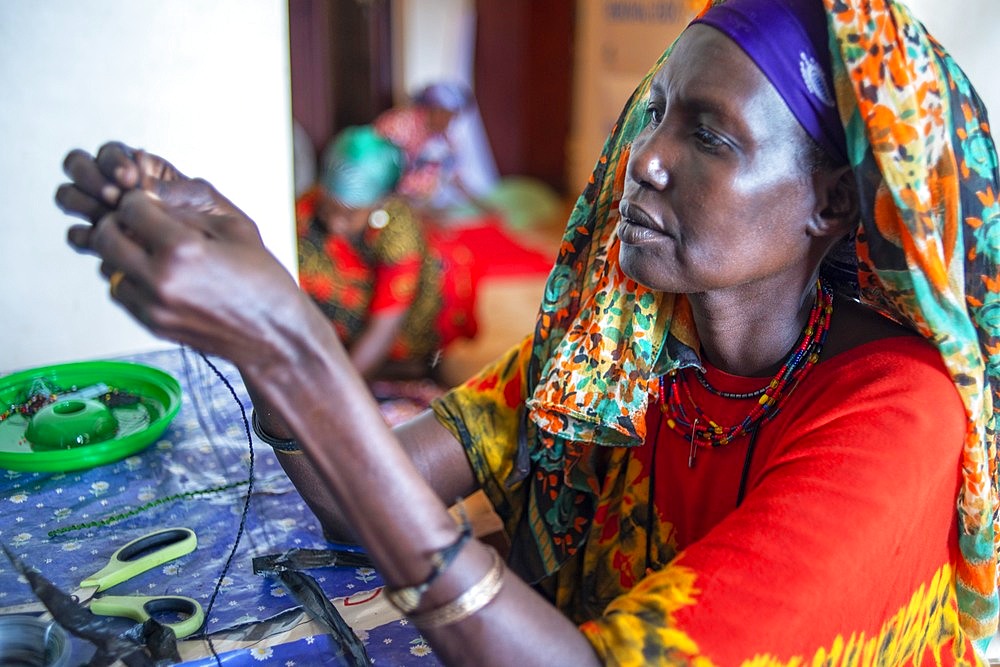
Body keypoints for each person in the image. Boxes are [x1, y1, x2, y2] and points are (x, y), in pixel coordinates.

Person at [54, 0, 1000, 663]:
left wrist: (291, 343)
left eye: (709, 136)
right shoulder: (624, 341)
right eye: (656, 113)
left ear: (831, 204)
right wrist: (257, 316)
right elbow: (366, 493)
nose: (646, 160)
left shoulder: (897, 415)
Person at [296, 124, 478, 381]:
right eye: (328, 208)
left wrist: (335, 391)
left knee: (449, 269)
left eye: (350, 215)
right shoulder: (305, 210)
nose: (336, 224)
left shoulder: (399, 230)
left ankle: (406, 364)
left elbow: (384, 327)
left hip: (398, 323)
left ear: (378, 203)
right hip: (346, 320)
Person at [374, 81, 497, 219]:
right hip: (388, 209)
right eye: (449, 116)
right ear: (436, 110)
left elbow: (455, 177)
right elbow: (377, 175)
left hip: (422, 210)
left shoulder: (444, 138)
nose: (451, 122)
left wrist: (483, 206)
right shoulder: (396, 126)